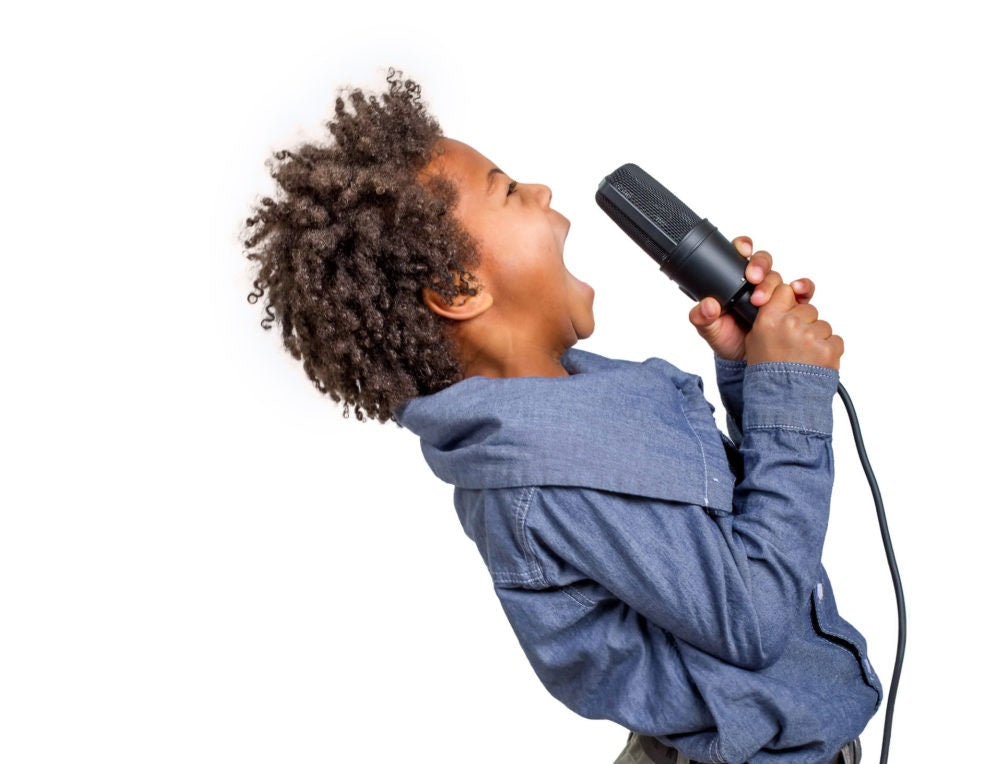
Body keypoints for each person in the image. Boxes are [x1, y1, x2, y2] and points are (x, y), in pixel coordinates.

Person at [244, 68, 880, 764]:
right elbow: (752, 614)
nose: (541, 191)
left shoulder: (570, 421)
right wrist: (789, 404)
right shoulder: (554, 470)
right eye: (508, 191)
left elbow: (731, 536)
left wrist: (754, 370)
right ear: (458, 287)